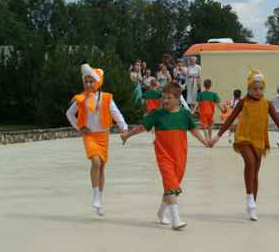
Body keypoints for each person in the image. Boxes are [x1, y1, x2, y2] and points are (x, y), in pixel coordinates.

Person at [211, 69, 279, 221]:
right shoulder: (243, 102)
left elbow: (278, 122)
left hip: (259, 140)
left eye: (261, 89)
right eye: (255, 89)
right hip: (243, 138)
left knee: (255, 172)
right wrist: (217, 136)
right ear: (249, 89)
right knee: (250, 163)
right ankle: (249, 199)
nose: (258, 92)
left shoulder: (267, 104)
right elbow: (230, 119)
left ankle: (252, 205)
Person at [121, 82, 209, 230]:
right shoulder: (157, 114)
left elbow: (193, 130)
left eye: (169, 98)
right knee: (171, 185)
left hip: (180, 157)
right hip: (163, 156)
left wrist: (204, 141)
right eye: (164, 97)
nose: (165, 100)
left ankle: (161, 212)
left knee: (172, 187)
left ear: (178, 99)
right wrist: (127, 135)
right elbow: (142, 127)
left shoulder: (184, 114)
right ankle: (176, 220)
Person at [66, 63, 128, 216]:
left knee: (101, 168)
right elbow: (69, 114)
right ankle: (95, 196)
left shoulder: (106, 98)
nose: (88, 84)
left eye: (91, 81)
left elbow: (116, 113)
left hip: (103, 135)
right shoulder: (81, 98)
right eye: (86, 81)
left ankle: (99, 199)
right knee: (95, 162)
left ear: (98, 82)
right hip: (89, 135)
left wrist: (124, 128)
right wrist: (79, 127)